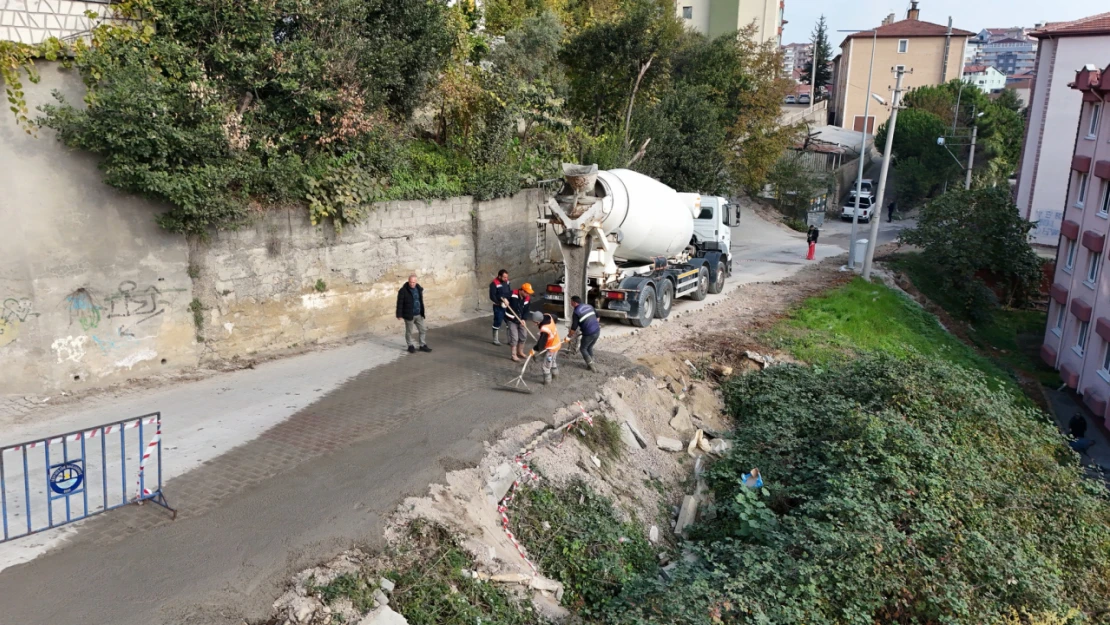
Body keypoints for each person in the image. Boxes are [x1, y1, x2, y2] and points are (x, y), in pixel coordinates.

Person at [396, 274, 431, 354]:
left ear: (416, 282)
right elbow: (400, 303)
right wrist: (399, 314)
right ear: (408, 281)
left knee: (422, 330)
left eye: (413, 282)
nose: (412, 284)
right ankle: (410, 345)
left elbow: (420, 301)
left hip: (418, 314)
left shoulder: (419, 289)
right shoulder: (403, 290)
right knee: (409, 331)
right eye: (410, 282)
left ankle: (422, 345)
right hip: (409, 315)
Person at [567, 295, 601, 371]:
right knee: (589, 347)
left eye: (571, 302)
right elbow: (598, 316)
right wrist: (595, 325)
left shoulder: (576, 312)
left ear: (574, 303)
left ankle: (591, 365)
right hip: (597, 331)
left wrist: (568, 336)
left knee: (583, 348)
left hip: (589, 334)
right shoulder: (589, 306)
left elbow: (574, 327)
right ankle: (591, 363)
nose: (570, 303)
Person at [530, 311, 561, 385]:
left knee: (546, 366)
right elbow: (555, 317)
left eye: (535, 322)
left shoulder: (545, 329)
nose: (534, 324)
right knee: (553, 361)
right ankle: (555, 375)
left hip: (551, 348)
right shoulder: (548, 316)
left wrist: (534, 349)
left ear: (539, 321)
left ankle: (547, 381)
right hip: (557, 343)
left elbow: (541, 344)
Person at [506, 283, 534, 362]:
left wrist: (524, 319)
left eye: (528, 293)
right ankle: (513, 355)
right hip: (511, 319)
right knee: (514, 338)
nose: (527, 294)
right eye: (526, 292)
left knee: (523, 335)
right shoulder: (513, 293)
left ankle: (520, 352)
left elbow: (526, 310)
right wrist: (505, 300)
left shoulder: (527, 298)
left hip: (521, 319)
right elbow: (501, 296)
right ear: (522, 290)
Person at [489, 269, 512, 345]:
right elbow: (492, 296)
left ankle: (510, 340)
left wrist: (509, 300)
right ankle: (495, 340)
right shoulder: (494, 284)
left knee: (509, 321)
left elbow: (509, 291)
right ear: (499, 276)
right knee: (498, 321)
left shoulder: (507, 282)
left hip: (507, 305)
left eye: (507, 277)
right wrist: (499, 303)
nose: (506, 279)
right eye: (504, 277)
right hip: (498, 306)